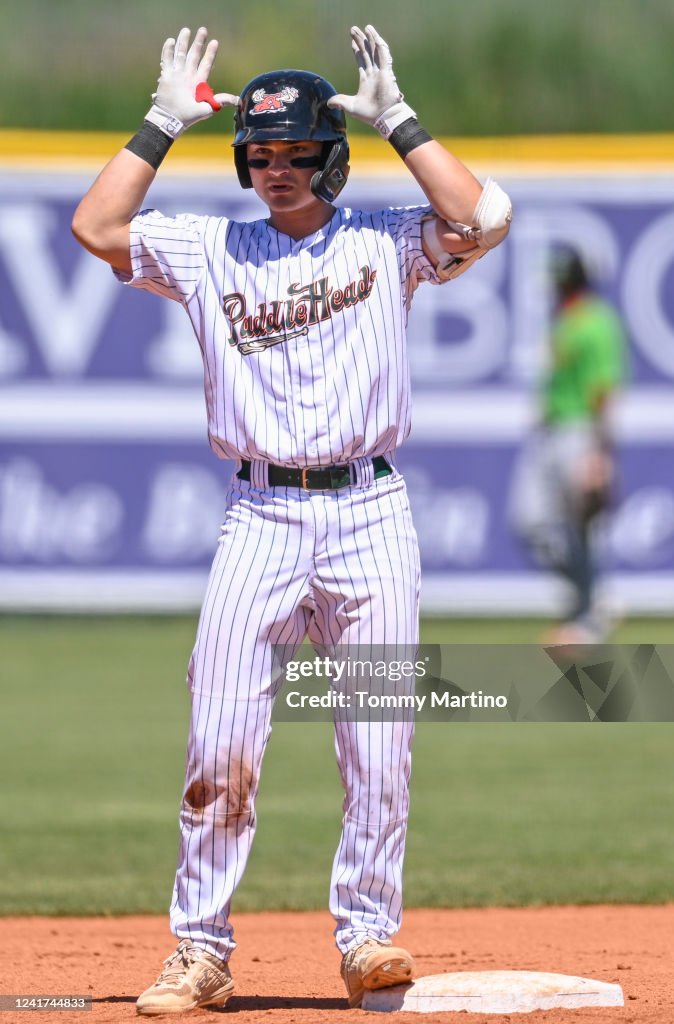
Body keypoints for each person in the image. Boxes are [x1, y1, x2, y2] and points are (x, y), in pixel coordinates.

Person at [72, 24, 512, 1015]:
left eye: (295, 152)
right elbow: (97, 231)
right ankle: (200, 951)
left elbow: (484, 214)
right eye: (260, 154)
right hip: (260, 510)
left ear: (331, 156)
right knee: (219, 737)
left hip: (368, 506)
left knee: (377, 738)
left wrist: (397, 118)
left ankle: (366, 938)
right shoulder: (208, 244)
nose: (275, 170)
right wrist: (158, 123)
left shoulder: (387, 236)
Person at [509, 249, 626, 645]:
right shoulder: (566, 319)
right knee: (529, 522)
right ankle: (594, 595)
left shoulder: (597, 321)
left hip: (580, 430)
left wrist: (600, 452)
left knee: (580, 527)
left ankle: (588, 615)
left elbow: (603, 392)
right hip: (551, 429)